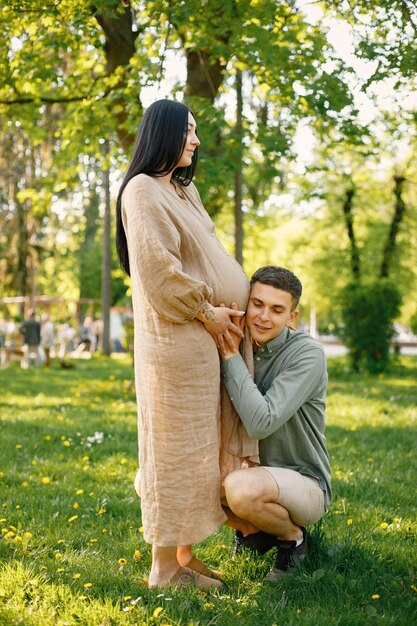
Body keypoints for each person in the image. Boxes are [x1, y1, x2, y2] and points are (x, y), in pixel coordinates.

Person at [116, 99, 257, 590]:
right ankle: (163, 570)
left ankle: (183, 554)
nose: (195, 141)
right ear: (163, 134)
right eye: (188, 132)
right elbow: (158, 273)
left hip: (205, 342)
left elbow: (206, 258)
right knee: (174, 450)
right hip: (178, 346)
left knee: (199, 448)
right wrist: (206, 310)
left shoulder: (180, 190)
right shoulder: (141, 191)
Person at [220, 266, 331, 583]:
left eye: (277, 309)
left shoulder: (307, 354)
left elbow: (260, 422)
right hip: (251, 475)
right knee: (159, 478)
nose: (263, 317)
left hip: (303, 483)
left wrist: (230, 358)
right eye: (257, 304)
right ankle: (253, 531)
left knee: (241, 489)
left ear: (291, 317)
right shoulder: (241, 341)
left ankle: (292, 538)